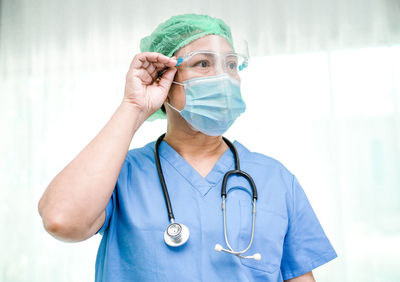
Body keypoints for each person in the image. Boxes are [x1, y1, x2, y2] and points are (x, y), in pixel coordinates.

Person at [38, 13, 337, 282]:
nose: (223, 78)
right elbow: (61, 219)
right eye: (203, 63)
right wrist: (133, 106)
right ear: (164, 79)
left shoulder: (275, 178)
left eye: (231, 64)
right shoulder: (121, 172)